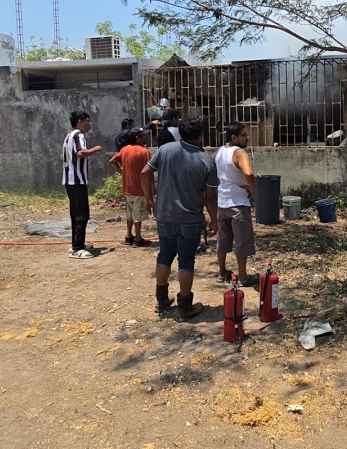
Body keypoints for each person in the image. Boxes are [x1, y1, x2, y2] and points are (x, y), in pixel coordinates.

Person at [141, 115, 218, 320]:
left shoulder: (165, 150)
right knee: (186, 261)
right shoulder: (206, 161)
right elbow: (210, 198)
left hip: (164, 215)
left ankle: (161, 300)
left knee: (164, 256)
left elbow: (145, 171)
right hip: (190, 219)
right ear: (201, 135)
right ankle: (184, 307)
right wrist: (214, 220)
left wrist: (148, 197)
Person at [214, 122, 258, 287]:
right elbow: (249, 173)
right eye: (244, 135)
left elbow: (211, 169)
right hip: (238, 202)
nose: (247, 138)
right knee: (242, 240)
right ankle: (243, 277)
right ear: (234, 137)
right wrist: (251, 189)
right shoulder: (239, 153)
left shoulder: (219, 151)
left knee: (223, 239)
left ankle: (221, 272)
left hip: (222, 202)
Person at [62, 110, 102, 259]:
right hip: (77, 180)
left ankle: (77, 243)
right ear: (79, 121)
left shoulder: (69, 136)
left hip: (70, 180)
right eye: (87, 120)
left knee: (76, 214)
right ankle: (77, 248)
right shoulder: (79, 135)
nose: (89, 124)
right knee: (81, 215)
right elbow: (80, 153)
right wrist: (95, 149)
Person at [108, 128, 152, 247]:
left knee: (130, 214)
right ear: (137, 138)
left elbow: (112, 161)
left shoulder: (124, 149)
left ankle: (129, 236)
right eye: (144, 136)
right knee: (138, 215)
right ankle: (138, 238)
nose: (146, 138)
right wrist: (150, 191)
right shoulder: (144, 152)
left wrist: (122, 172)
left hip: (127, 188)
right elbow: (148, 172)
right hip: (139, 188)